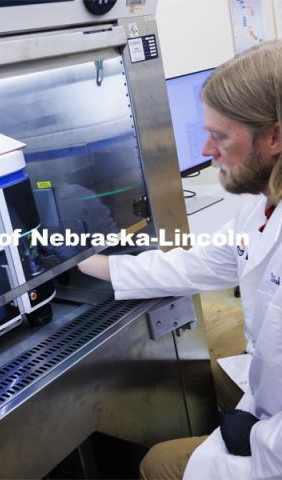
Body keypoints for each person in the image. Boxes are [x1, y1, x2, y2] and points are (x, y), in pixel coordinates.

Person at [78, 40, 282, 480]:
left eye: (221, 136)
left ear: (275, 137)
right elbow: (214, 258)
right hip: (270, 391)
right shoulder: (266, 200)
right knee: (208, 338)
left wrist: (233, 450)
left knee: (158, 464)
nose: (207, 149)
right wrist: (97, 265)